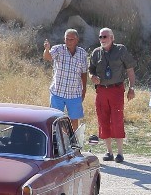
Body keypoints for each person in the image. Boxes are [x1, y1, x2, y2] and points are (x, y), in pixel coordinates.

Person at [89, 28, 136, 162]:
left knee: (117, 119)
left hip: (116, 90)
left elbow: (130, 70)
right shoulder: (96, 53)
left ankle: (120, 153)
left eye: (105, 37)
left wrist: (131, 88)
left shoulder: (121, 50)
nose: (102, 39)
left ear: (112, 38)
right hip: (101, 90)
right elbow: (91, 69)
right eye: (100, 37)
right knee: (103, 119)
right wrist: (92, 76)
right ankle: (109, 152)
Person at [43, 29, 90, 144]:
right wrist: (47, 49)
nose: (69, 41)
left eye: (71, 39)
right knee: (56, 119)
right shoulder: (58, 49)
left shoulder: (82, 53)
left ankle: (73, 142)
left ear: (77, 40)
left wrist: (84, 90)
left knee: (74, 119)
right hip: (57, 92)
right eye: (67, 39)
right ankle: (60, 142)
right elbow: (48, 57)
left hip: (74, 93)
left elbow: (84, 73)